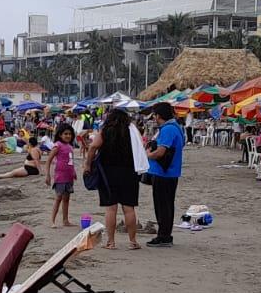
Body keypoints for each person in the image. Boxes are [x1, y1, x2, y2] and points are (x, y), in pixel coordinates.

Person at [82, 108, 139, 249]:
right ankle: (133, 242)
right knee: (129, 208)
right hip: (129, 171)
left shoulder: (106, 131)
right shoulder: (131, 131)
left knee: (111, 208)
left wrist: (88, 164)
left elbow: (93, 147)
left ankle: (111, 242)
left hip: (108, 172)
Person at [145, 102, 185, 247]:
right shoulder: (177, 128)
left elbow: (161, 152)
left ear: (159, 115)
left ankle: (163, 235)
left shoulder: (168, 129)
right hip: (171, 172)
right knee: (167, 204)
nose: (154, 118)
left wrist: (148, 154)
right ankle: (165, 234)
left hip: (164, 173)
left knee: (162, 205)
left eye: (155, 115)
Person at [45, 123, 78, 228]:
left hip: (69, 177)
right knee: (58, 198)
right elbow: (48, 160)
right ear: (60, 135)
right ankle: (52, 221)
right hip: (60, 177)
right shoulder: (57, 145)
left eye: (70, 134)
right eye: (65, 134)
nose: (68, 136)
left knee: (67, 199)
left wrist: (74, 172)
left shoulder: (70, 147)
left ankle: (65, 220)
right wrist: (48, 175)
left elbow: (70, 161)